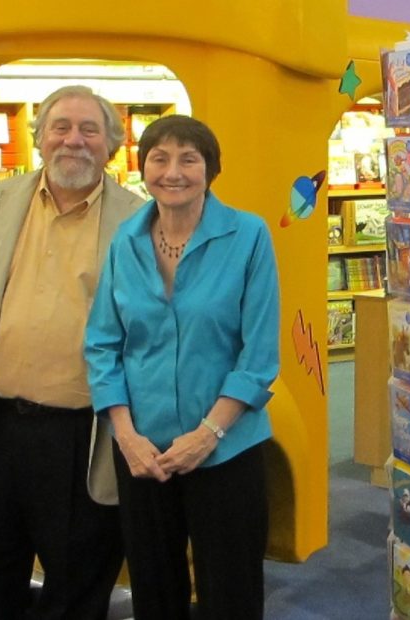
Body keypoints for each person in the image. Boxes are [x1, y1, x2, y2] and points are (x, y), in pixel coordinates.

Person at [0, 84, 144, 619]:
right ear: (41, 137)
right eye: (61, 127)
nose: (74, 140)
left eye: (90, 130)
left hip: (84, 437)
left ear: (111, 144)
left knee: (76, 588)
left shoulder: (139, 221)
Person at [84, 115, 281, 620]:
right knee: (154, 591)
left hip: (226, 450)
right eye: (159, 158)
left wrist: (207, 434)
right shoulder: (124, 241)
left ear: (210, 170)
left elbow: (258, 357)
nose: (173, 172)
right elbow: (102, 345)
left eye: (188, 159)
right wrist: (125, 434)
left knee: (230, 592)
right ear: (143, 167)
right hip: (143, 453)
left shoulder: (248, 236)